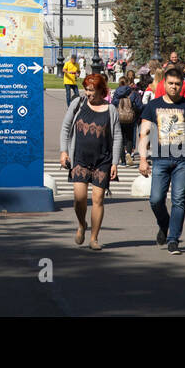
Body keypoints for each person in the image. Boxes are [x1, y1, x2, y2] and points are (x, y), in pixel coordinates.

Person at [137, 67, 185, 254]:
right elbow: (144, 133)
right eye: (170, 83)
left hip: (183, 161)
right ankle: (164, 223)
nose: (174, 87)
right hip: (159, 159)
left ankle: (173, 239)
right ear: (164, 84)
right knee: (155, 200)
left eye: (177, 84)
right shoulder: (153, 106)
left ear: (182, 85)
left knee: (178, 200)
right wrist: (142, 159)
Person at [59, 73, 123, 250]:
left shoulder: (110, 109)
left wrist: (115, 163)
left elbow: (117, 136)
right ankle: (81, 224)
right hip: (79, 158)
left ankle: (94, 238)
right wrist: (63, 151)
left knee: (98, 199)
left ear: (102, 91)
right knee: (79, 198)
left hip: (103, 160)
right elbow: (65, 128)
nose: (88, 93)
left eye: (92, 90)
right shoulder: (78, 104)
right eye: (86, 89)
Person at [111, 76, 141, 165]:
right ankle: (128, 152)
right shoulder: (133, 94)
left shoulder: (116, 93)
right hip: (130, 118)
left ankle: (122, 160)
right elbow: (139, 106)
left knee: (119, 138)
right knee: (129, 137)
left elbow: (113, 103)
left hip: (119, 118)